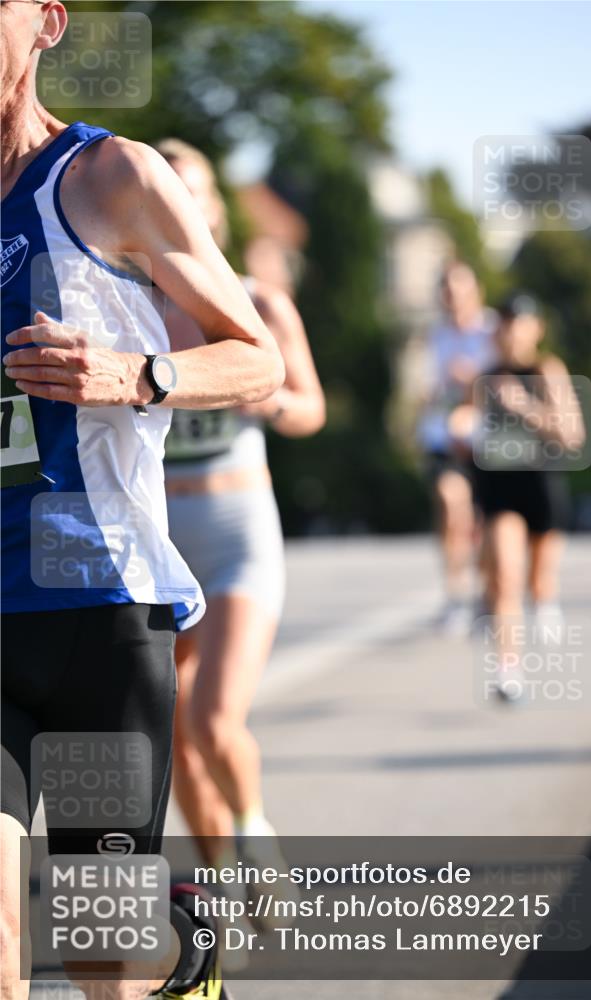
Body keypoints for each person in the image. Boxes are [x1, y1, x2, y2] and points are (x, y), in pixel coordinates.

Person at [0, 3, 284, 998]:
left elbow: (259, 357)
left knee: (102, 955)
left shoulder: (107, 178)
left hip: (94, 616)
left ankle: (180, 954)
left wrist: (134, 374)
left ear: (45, 24)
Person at [153, 140, 325, 883]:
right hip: (161, 539)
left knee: (213, 721)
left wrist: (272, 397)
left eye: (195, 191)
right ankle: (221, 880)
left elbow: (311, 410)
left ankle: (255, 833)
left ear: (216, 208)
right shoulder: (128, 304)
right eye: (168, 193)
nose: (183, 206)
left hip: (237, 534)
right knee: (170, 731)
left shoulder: (259, 303)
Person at [471, 295, 585, 700]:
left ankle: (545, 601)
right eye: (503, 323)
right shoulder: (486, 377)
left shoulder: (547, 371)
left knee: (539, 582)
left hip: (541, 485)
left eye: (518, 323)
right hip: (500, 487)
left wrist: (524, 408)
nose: (510, 332)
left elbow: (572, 436)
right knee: (505, 575)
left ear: (536, 329)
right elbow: (473, 430)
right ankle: (508, 670)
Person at [417, 261, 496, 633]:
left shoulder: (493, 330)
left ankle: (484, 594)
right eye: (446, 289)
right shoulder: (436, 336)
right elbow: (428, 389)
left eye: (459, 288)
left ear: (475, 289)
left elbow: (511, 380)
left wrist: (474, 384)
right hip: (444, 437)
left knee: (484, 523)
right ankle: (454, 594)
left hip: (486, 438)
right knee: (451, 502)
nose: (453, 296)